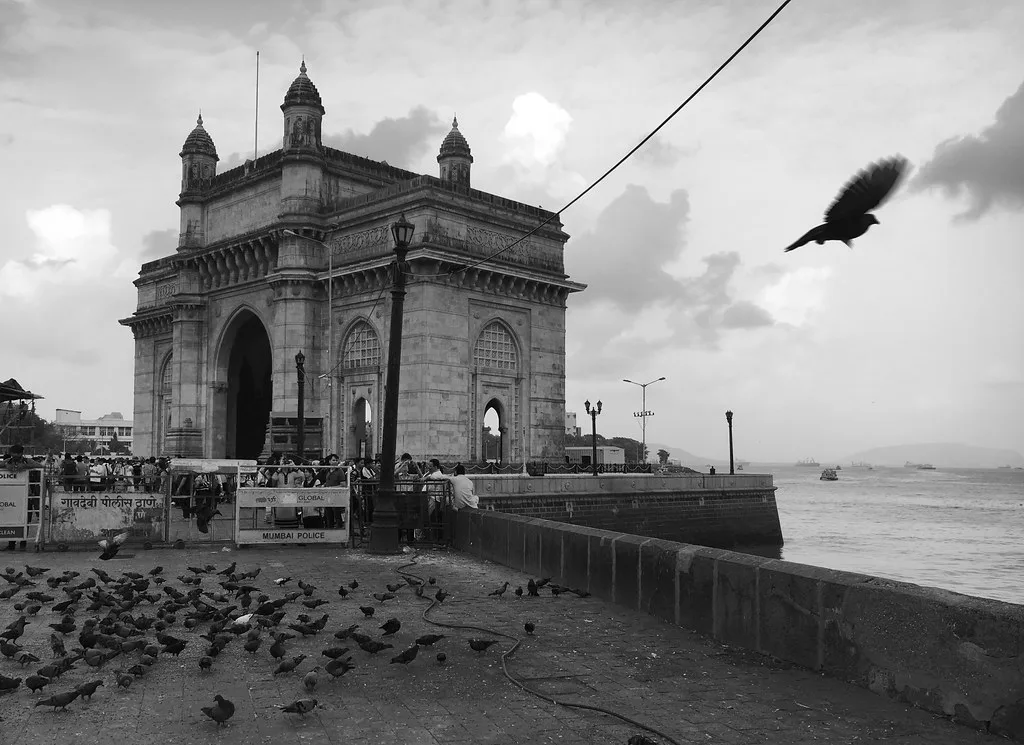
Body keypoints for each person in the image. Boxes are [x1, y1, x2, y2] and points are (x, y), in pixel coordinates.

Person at [4, 444, 41, 551]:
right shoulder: (8, 461)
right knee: (12, 518)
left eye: (17, 453)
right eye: (13, 453)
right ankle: (11, 543)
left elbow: (41, 467)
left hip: (27, 495)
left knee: (26, 520)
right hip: (12, 496)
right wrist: (6, 466)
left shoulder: (28, 461)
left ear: (21, 453)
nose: (15, 455)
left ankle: (23, 542)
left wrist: (26, 467)